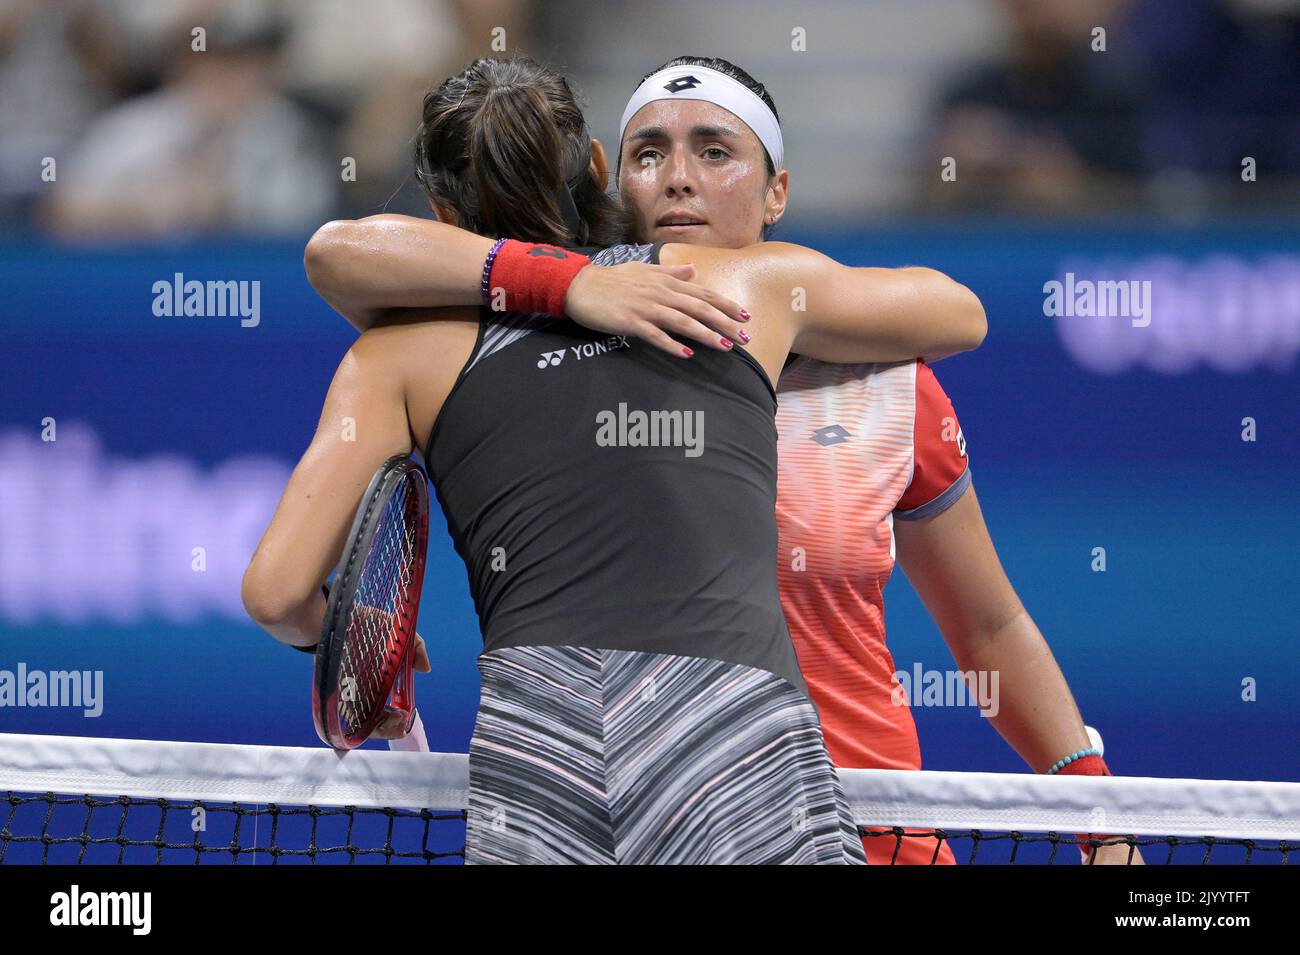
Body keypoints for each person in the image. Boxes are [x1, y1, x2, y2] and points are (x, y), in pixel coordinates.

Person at [308, 54, 1141, 865]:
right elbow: (342, 252)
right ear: (607, 178)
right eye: (648, 153)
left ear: (778, 190)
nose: (677, 178)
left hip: (872, 825)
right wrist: (564, 284)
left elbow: (990, 624)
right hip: (637, 821)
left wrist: (1097, 811)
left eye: (715, 150)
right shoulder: (534, 361)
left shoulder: (883, 385)